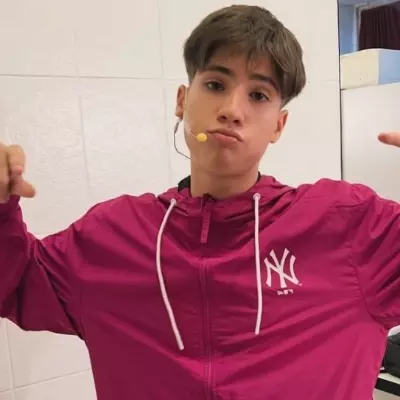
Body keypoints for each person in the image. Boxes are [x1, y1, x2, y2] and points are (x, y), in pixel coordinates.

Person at [0, 5, 399, 400]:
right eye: (215, 85)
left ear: (278, 125)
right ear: (182, 100)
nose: (231, 110)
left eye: (258, 95)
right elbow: (14, 283)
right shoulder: (111, 238)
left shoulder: (347, 227)